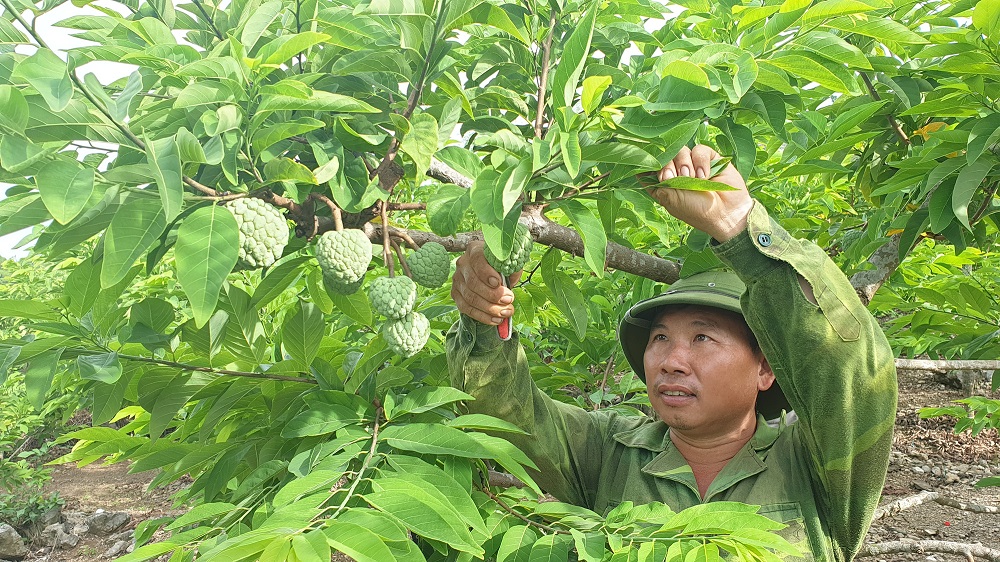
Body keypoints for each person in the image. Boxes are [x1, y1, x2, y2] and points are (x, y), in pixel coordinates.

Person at [446, 145, 897, 562]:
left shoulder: (816, 466)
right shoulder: (608, 453)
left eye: (703, 339)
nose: (671, 361)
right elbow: (508, 413)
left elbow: (854, 371)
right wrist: (485, 316)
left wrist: (739, 226)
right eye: (660, 338)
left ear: (765, 368)